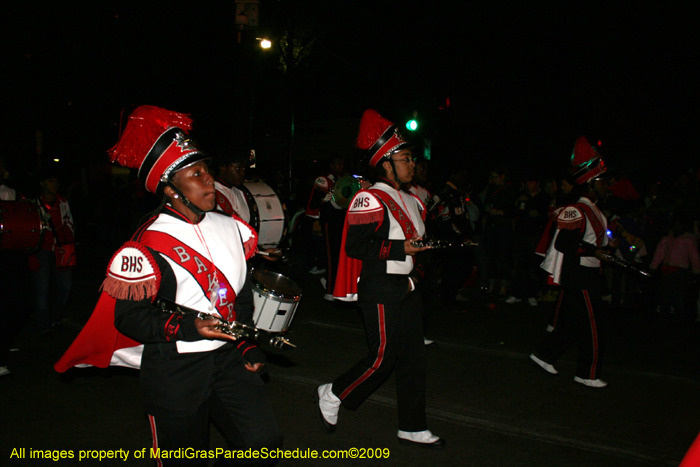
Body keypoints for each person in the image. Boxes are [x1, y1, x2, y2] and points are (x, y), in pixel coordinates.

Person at [55, 106, 282, 466]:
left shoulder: (232, 227)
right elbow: (129, 317)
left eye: (207, 170)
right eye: (196, 174)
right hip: (176, 369)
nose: (209, 180)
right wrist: (187, 327)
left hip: (227, 359)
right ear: (170, 188)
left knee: (263, 444)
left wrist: (246, 346)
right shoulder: (146, 244)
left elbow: (238, 295)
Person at [317, 109, 444, 448]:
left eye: (412, 158)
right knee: (382, 358)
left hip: (409, 288)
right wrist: (403, 247)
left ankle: (413, 426)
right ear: (386, 163)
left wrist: (420, 267)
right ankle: (333, 392)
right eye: (405, 158)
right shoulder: (369, 197)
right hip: (381, 287)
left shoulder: (413, 199)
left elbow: (418, 247)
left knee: (414, 358)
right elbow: (357, 246)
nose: (412, 164)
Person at [530, 136, 614, 388]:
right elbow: (564, 244)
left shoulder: (595, 209)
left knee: (575, 321)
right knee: (592, 324)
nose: (607, 185)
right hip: (579, 274)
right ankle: (587, 373)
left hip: (587, 272)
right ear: (591, 183)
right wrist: (593, 251)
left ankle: (544, 355)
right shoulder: (577, 209)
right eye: (603, 181)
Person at [31, 169, 76, 337]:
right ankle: (44, 326)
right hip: (42, 251)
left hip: (61, 251)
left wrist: (65, 232)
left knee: (65, 287)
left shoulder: (63, 202)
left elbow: (70, 224)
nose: (54, 184)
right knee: (42, 291)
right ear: (42, 183)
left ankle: (55, 319)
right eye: (50, 181)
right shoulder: (34, 204)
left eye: (55, 180)